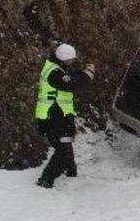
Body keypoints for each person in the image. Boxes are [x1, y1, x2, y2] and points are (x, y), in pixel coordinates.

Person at [34, 43, 95, 188]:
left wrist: (83, 72)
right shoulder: (54, 73)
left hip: (57, 115)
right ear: (63, 59)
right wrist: (88, 74)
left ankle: (70, 170)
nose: (72, 62)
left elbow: (69, 77)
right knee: (62, 150)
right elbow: (72, 84)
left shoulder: (57, 68)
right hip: (53, 116)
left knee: (65, 144)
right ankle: (46, 179)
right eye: (70, 60)